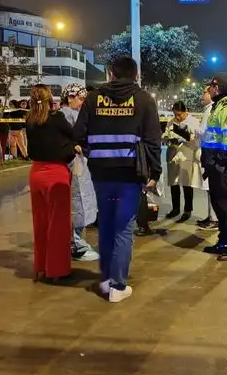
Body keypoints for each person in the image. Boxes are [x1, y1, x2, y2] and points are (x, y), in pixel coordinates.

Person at [74, 55, 162, 303]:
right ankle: (118, 285)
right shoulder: (144, 100)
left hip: (101, 173)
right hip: (129, 174)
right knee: (124, 227)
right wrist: (155, 173)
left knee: (107, 224)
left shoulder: (93, 98)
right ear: (135, 75)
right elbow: (153, 140)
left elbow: (78, 134)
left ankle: (105, 280)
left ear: (111, 74)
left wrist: (93, 152)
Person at [25, 84, 77, 282]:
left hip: (36, 172)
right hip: (57, 173)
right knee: (59, 223)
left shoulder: (29, 119)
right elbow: (73, 135)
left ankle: (40, 266)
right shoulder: (57, 118)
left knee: (40, 221)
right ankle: (57, 269)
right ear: (50, 98)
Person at [200, 72, 227, 261]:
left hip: (224, 165)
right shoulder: (218, 106)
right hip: (215, 165)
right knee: (219, 205)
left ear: (216, 88)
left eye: (210, 86)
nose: (208, 89)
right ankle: (224, 241)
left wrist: (219, 161)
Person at [58, 84, 100, 262]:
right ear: (70, 97)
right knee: (76, 203)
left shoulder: (76, 114)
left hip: (81, 164)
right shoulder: (64, 116)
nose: (83, 103)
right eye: (81, 99)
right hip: (72, 165)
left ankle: (77, 242)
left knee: (82, 202)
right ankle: (75, 246)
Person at [163, 101, 202, 222]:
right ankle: (175, 209)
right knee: (174, 183)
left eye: (179, 114)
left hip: (186, 154)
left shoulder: (193, 122)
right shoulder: (171, 122)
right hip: (173, 154)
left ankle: (187, 210)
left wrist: (183, 138)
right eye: (175, 114)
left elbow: (196, 138)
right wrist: (166, 138)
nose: (178, 117)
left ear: (186, 111)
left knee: (186, 183)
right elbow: (166, 133)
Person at [195, 86, 219, 231]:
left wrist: (193, 126)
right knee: (209, 188)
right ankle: (211, 217)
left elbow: (203, 131)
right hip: (208, 152)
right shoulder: (210, 109)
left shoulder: (210, 110)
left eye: (204, 92)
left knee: (211, 188)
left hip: (209, 153)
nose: (202, 95)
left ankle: (215, 219)